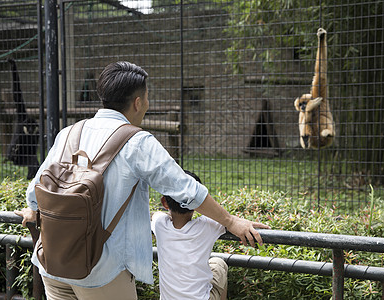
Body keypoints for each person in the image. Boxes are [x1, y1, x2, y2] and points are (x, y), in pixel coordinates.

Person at [15, 61, 270, 300]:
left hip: (52, 262)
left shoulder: (69, 133)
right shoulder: (137, 142)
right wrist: (231, 221)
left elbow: (34, 192)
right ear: (137, 102)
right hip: (101, 271)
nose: (147, 104)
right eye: (147, 98)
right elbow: (185, 189)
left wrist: (33, 210)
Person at [152, 170, 228, 300]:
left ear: (164, 202)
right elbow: (227, 220)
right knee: (218, 263)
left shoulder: (159, 224)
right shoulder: (209, 225)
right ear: (200, 202)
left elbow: (155, 215)